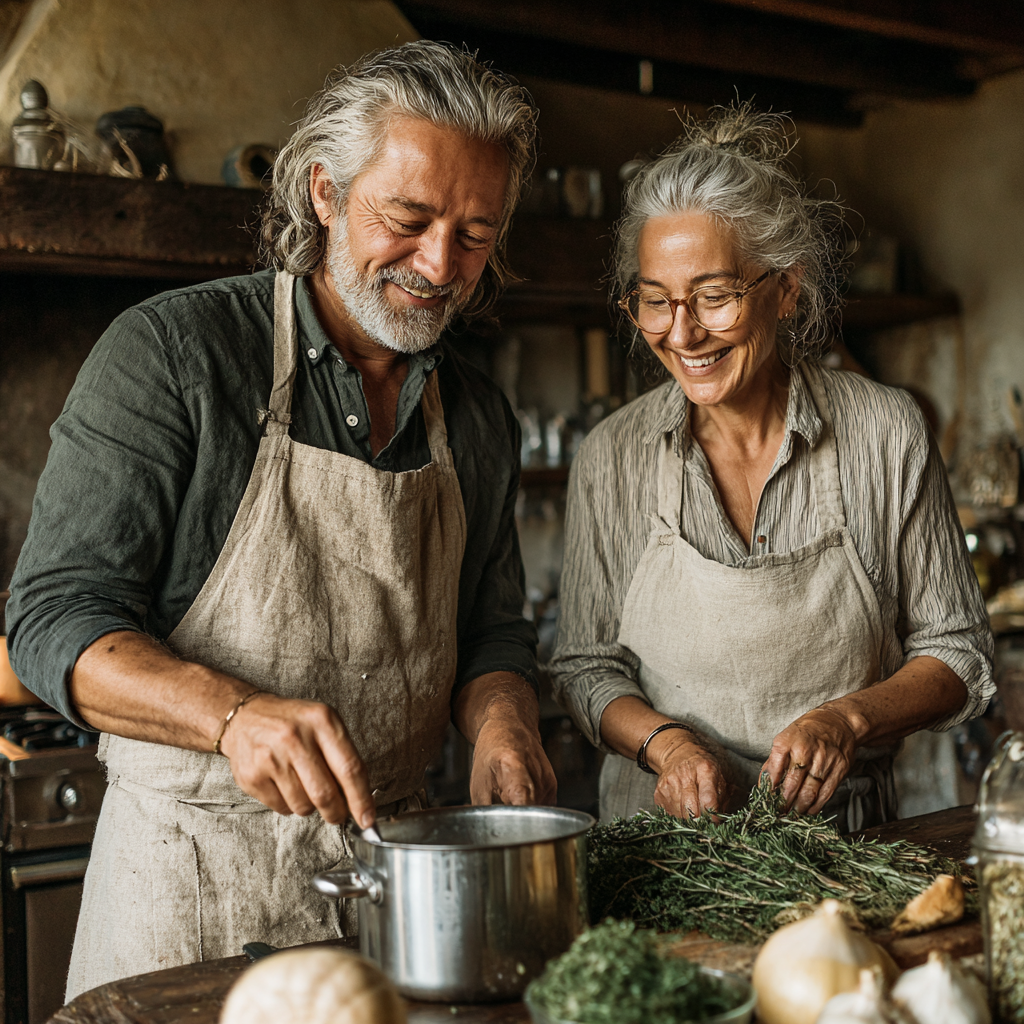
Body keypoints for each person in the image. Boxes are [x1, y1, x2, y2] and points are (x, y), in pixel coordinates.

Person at [6, 41, 556, 997]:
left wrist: (505, 724)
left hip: (399, 901)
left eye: (474, 233)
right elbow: (53, 619)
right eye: (410, 217)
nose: (440, 264)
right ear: (324, 194)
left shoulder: (475, 416)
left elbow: (491, 633)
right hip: (190, 895)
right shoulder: (173, 356)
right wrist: (231, 717)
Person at [550, 103, 993, 833]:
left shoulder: (883, 432)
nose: (683, 332)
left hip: (842, 851)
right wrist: (667, 745)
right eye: (655, 301)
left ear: (786, 288)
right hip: (661, 855)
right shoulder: (614, 454)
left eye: (715, 297)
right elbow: (584, 667)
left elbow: (957, 651)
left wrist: (849, 719)